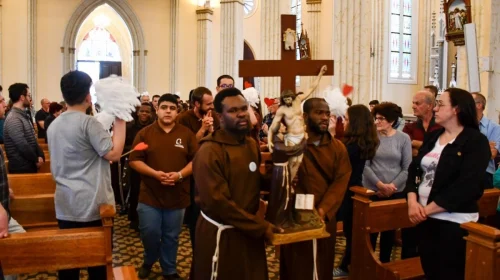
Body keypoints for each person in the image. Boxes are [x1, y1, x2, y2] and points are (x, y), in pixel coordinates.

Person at [191, 88, 279, 280]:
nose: (241, 114)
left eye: (243, 108)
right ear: (220, 117)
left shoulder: (249, 144)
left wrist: (282, 174)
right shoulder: (210, 151)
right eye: (233, 110)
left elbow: (252, 181)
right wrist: (261, 227)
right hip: (222, 232)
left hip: (248, 230)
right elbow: (217, 202)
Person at [47, 70, 126, 280]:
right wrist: (121, 117)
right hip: (92, 206)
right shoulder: (88, 123)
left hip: (65, 205)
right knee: (98, 266)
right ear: (88, 97)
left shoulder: (53, 125)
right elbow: (115, 153)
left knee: (68, 266)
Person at [406, 88, 490, 280]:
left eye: (440, 104)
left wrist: (425, 210)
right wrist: (412, 201)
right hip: (426, 219)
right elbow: (414, 169)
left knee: (449, 274)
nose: (435, 109)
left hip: (454, 223)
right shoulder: (434, 137)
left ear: (456, 109)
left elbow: (466, 186)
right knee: (431, 271)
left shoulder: (475, 141)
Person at [279, 98, 351, 280]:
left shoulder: (338, 148)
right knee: (296, 265)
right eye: (319, 113)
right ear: (305, 116)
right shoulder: (292, 144)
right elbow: (276, 176)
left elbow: (341, 182)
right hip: (296, 216)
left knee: (322, 262)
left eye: (327, 113)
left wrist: (322, 210)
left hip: (324, 216)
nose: (325, 117)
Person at [129, 94, 197, 280]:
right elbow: (134, 161)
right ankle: (149, 258)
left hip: (178, 195)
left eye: (172, 108)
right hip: (150, 195)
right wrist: (155, 174)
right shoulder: (145, 134)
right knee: (149, 232)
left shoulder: (186, 134)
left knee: (171, 236)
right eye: (164, 107)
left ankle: (169, 269)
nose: (168, 111)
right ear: (157, 110)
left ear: (177, 111)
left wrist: (180, 175)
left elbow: (196, 161)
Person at [333, 105, 379, 278]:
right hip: (354, 187)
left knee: (351, 232)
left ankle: (347, 265)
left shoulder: (351, 146)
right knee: (351, 231)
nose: (343, 122)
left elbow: (334, 162)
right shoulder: (363, 142)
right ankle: (348, 263)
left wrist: (330, 135)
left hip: (348, 190)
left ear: (355, 122)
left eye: (346, 119)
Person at [363, 102, 412, 263]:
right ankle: (369, 266)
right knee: (370, 232)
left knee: (389, 232)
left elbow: (407, 167)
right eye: (375, 118)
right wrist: (380, 185)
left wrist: (392, 186)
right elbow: (365, 165)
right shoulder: (371, 137)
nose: (376, 122)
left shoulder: (403, 138)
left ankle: (385, 263)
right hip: (373, 190)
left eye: (381, 119)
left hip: (395, 191)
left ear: (391, 121)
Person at [268, 65, 328, 182]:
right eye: (285, 100)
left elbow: (311, 88)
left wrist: (320, 74)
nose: (287, 101)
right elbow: (272, 127)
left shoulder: (298, 99)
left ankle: (289, 183)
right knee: (292, 162)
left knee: (299, 161)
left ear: (292, 96)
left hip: (301, 136)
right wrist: (270, 140)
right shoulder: (282, 110)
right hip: (291, 137)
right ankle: (288, 184)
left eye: (289, 99)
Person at [177, 86, 220, 248]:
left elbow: (217, 143)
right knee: (195, 212)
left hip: (210, 169)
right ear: (196, 103)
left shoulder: (214, 116)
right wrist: (202, 129)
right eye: (208, 104)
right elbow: (187, 147)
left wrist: (211, 130)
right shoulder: (183, 119)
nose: (211, 107)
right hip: (190, 170)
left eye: (212, 103)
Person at [0, 110, 26, 280]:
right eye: (0, 101)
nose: (4, 103)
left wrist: (5, 189)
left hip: (5, 212)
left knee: (20, 244)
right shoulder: (13, 119)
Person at [126, 102, 156, 231]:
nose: (144, 114)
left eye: (147, 112)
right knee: (135, 191)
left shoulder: (154, 128)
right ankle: (135, 219)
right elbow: (125, 146)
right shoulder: (130, 127)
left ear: (151, 114)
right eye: (142, 111)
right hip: (135, 164)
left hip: (151, 165)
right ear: (137, 113)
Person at [4, 83, 45, 174]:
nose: (30, 98)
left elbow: (32, 139)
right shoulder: (14, 117)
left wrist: (41, 155)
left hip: (28, 164)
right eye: (28, 95)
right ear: (22, 97)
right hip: (21, 167)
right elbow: (22, 144)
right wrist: (35, 159)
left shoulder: (22, 115)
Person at [471, 92, 500, 189]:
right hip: (462, 171)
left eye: (469, 102)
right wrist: (484, 146)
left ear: (479, 105)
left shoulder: (494, 127)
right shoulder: (462, 125)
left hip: (484, 173)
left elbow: (492, 154)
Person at [404, 91, 442, 158]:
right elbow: (405, 148)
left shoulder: (441, 126)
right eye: (413, 103)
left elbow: (442, 149)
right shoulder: (409, 127)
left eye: (417, 103)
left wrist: (414, 143)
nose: (413, 106)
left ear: (429, 106)